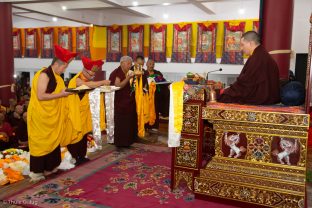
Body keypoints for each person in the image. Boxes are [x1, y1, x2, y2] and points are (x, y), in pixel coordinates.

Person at [27, 45, 77, 181]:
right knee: (40, 143)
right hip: (41, 116)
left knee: (53, 141)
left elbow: (58, 93)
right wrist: (61, 95)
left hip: (53, 116)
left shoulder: (58, 78)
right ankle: (37, 172)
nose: (64, 70)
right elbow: (41, 96)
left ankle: (50, 168)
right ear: (56, 63)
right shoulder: (44, 74)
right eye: (63, 67)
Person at [63, 57, 110, 165]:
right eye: (91, 74)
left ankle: (82, 156)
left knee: (83, 136)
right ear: (85, 71)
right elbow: (86, 86)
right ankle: (75, 157)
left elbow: (92, 89)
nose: (92, 76)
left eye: (94, 74)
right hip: (74, 114)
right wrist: (102, 82)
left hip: (84, 114)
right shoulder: (77, 79)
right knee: (75, 136)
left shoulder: (88, 80)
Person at [218, 31, 280, 105]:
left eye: (242, 45)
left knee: (224, 97)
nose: (241, 49)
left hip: (260, 97)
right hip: (270, 97)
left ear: (251, 43)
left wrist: (226, 91)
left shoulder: (257, 58)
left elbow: (245, 83)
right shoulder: (260, 54)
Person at [109, 56, 136, 147]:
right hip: (120, 103)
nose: (130, 65)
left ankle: (128, 142)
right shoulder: (117, 73)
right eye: (128, 63)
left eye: (131, 64)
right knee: (122, 124)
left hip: (128, 102)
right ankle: (121, 143)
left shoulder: (127, 72)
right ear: (122, 63)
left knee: (128, 123)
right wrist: (128, 78)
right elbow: (118, 86)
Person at [145, 59, 167, 132]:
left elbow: (163, 82)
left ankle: (154, 127)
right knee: (146, 110)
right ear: (146, 64)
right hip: (146, 96)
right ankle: (146, 126)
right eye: (150, 64)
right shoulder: (143, 73)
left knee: (155, 110)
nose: (151, 65)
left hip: (156, 96)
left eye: (153, 64)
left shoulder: (158, 73)